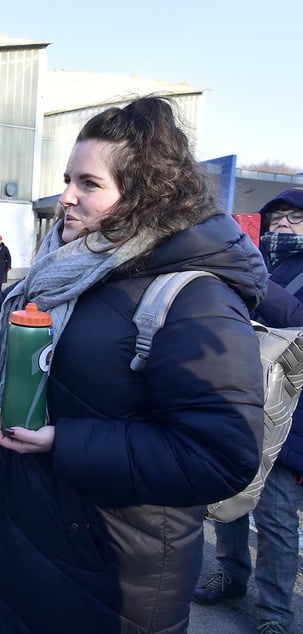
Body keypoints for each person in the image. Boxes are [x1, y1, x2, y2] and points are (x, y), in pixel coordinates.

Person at [0, 96, 266, 632]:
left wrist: (62, 440)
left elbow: (219, 454)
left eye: (89, 184)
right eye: (69, 178)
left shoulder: (194, 298)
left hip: (111, 580)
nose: (67, 197)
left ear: (145, 194)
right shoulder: (62, 271)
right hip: (20, 544)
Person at [192, 187, 303, 634]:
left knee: (275, 519)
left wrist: (251, 276)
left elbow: (296, 318)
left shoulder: (256, 267)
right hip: (236, 401)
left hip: (288, 417)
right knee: (227, 499)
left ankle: (275, 612)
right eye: (276, 217)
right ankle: (231, 574)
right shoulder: (257, 260)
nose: (282, 225)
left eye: (294, 218)